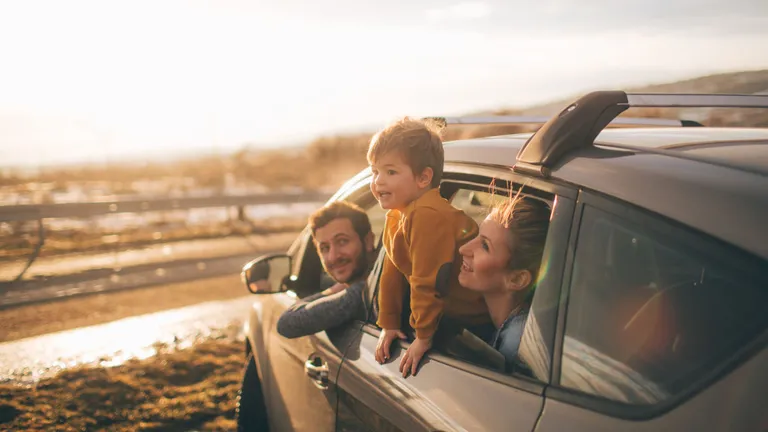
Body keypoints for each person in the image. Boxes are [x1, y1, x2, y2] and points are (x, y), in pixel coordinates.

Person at [368, 117, 489, 377]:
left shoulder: (427, 215)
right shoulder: (397, 215)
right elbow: (393, 273)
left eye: (390, 172)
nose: (378, 181)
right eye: (374, 171)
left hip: (474, 320)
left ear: (423, 178)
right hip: (448, 316)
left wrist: (422, 337)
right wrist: (388, 323)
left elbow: (428, 281)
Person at [457, 195, 550, 366]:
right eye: (478, 235)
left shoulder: (516, 347)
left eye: (485, 246)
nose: (464, 249)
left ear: (517, 279)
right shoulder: (516, 327)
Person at [276, 201, 377, 338]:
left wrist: (337, 290)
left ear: (368, 241)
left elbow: (287, 324)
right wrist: (339, 288)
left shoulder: (366, 292)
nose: (333, 256)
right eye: (324, 248)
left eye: (342, 241)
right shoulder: (365, 286)